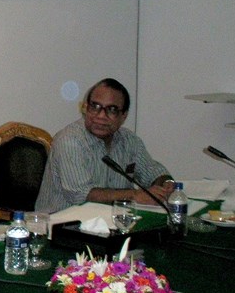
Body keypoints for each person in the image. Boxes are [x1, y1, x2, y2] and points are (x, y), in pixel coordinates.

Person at [35, 78, 174, 213]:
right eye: (95, 107)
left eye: (112, 110)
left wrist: (166, 184)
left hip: (111, 220)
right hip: (63, 223)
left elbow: (154, 172)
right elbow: (80, 194)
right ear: (85, 108)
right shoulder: (70, 140)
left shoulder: (129, 140)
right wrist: (134, 195)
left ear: (124, 116)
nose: (101, 116)